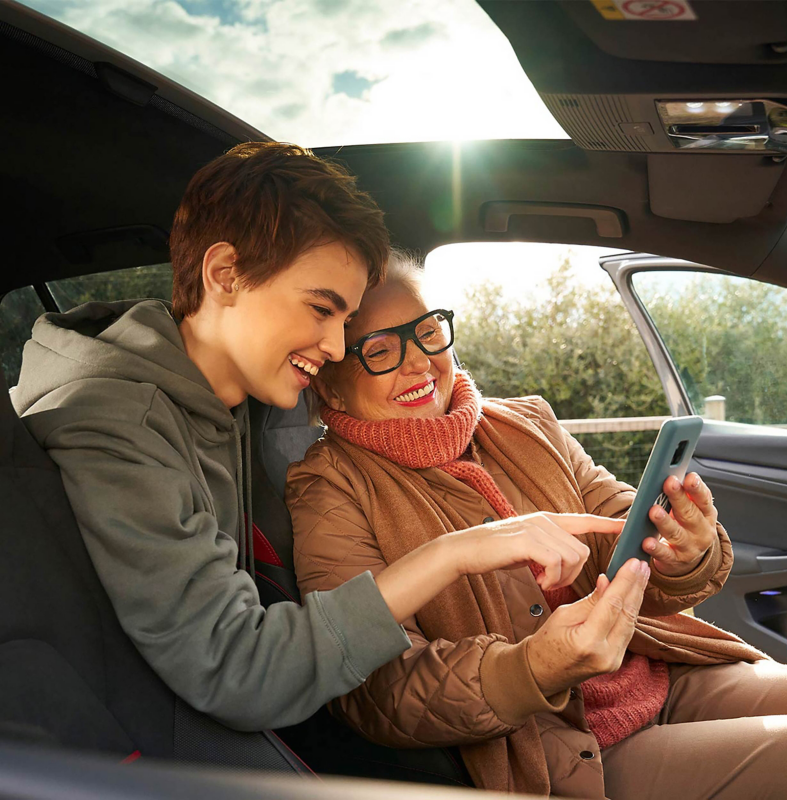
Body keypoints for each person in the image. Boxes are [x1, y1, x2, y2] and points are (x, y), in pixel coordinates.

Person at [10, 142, 624, 733]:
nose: (335, 349)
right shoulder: (119, 424)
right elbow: (236, 670)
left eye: (344, 319)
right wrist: (454, 552)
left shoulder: (225, 400)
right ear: (225, 275)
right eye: (319, 309)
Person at [287, 250, 787, 799]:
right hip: (561, 745)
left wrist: (683, 549)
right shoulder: (329, 487)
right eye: (380, 351)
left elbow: (615, 518)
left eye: (428, 332)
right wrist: (534, 667)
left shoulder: (528, 423)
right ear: (330, 385)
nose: (418, 362)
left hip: (662, 673)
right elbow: (377, 689)